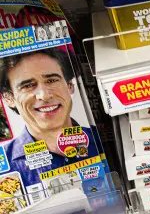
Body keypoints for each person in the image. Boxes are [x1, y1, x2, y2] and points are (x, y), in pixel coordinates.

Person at [0, 48, 99, 192]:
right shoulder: (5, 166)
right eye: (28, 86)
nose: (44, 95)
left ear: (70, 86)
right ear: (8, 98)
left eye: (52, 80)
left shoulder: (101, 140)